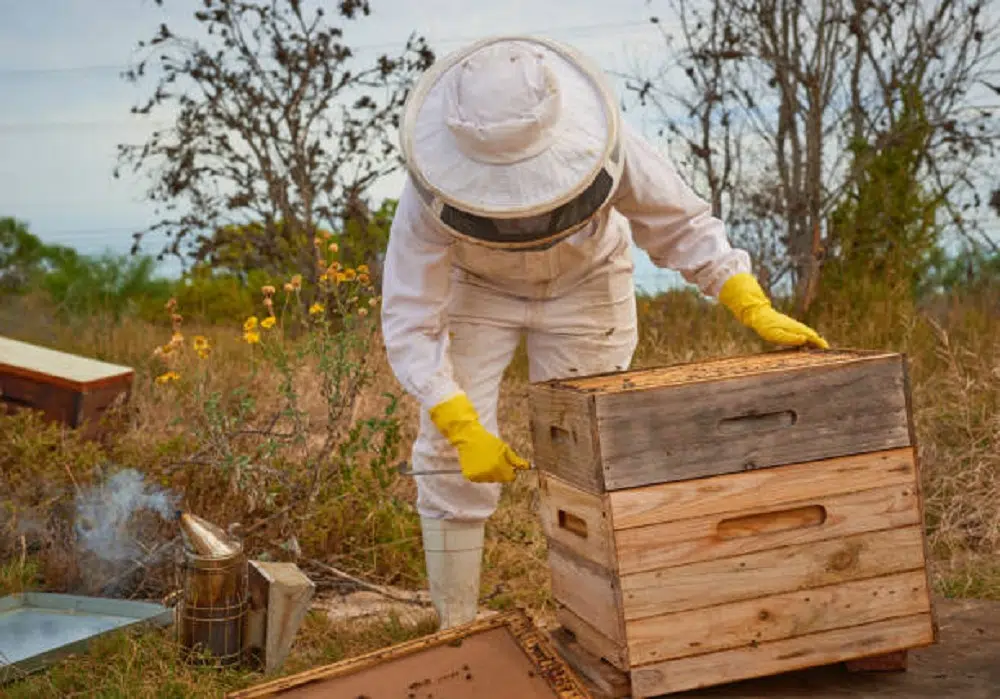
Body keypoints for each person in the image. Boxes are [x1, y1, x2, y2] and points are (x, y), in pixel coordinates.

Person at [379, 35, 827, 629]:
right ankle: (455, 624)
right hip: (477, 291)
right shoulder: (425, 194)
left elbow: (680, 224)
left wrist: (744, 296)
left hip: (586, 285)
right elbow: (411, 319)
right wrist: (459, 421)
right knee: (444, 448)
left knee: (586, 450)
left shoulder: (610, 143)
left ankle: (589, 621)